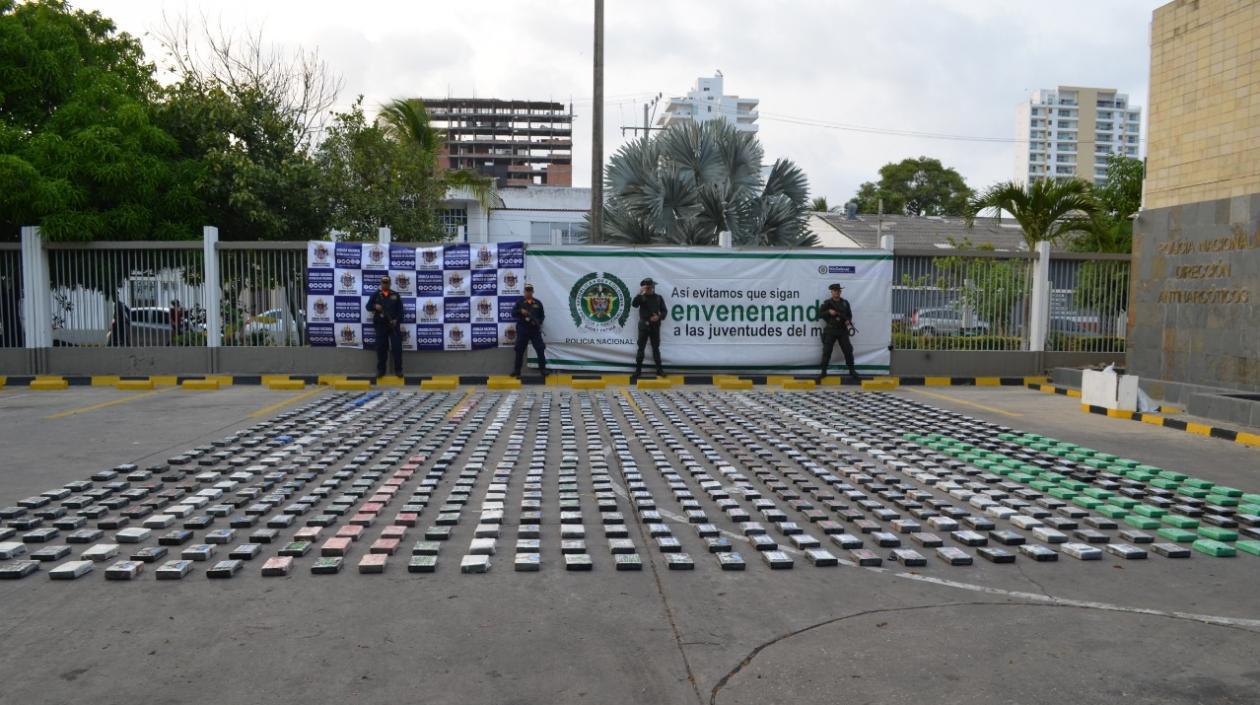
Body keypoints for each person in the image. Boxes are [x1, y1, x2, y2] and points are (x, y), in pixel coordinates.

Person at [818, 283, 860, 383]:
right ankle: (823, 371)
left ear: (840, 292)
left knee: (848, 350)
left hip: (842, 330)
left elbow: (849, 315)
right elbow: (819, 314)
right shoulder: (827, 303)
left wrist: (848, 321)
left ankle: (852, 370)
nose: (836, 292)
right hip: (831, 330)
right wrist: (828, 312)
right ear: (831, 292)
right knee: (827, 351)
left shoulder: (845, 303)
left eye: (838, 290)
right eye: (834, 290)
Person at [365, 275, 404, 377]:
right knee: (381, 349)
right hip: (381, 326)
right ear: (381, 283)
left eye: (387, 282)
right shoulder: (375, 295)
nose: (385, 284)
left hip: (393, 326)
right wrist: (375, 306)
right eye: (383, 282)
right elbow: (368, 307)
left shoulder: (395, 295)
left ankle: (398, 370)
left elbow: (401, 311)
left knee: (397, 348)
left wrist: (396, 320)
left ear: (390, 283)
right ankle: (381, 370)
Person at [632, 277, 667, 378]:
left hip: (655, 326)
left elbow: (664, 311)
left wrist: (659, 317)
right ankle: (638, 370)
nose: (650, 289)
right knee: (641, 348)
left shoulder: (658, 298)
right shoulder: (641, 297)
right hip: (644, 325)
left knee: (656, 348)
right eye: (647, 287)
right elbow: (634, 305)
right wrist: (639, 294)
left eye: (651, 287)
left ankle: (659, 370)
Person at [511, 284, 547, 378]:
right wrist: (520, 311)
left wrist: (538, 322)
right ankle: (517, 371)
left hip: (534, 330)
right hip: (523, 329)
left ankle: (543, 369)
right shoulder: (519, 302)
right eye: (526, 291)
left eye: (530, 291)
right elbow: (513, 314)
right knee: (519, 350)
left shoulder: (538, 303)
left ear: (532, 292)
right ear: (524, 292)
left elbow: (542, 316)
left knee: (540, 349)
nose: (528, 292)